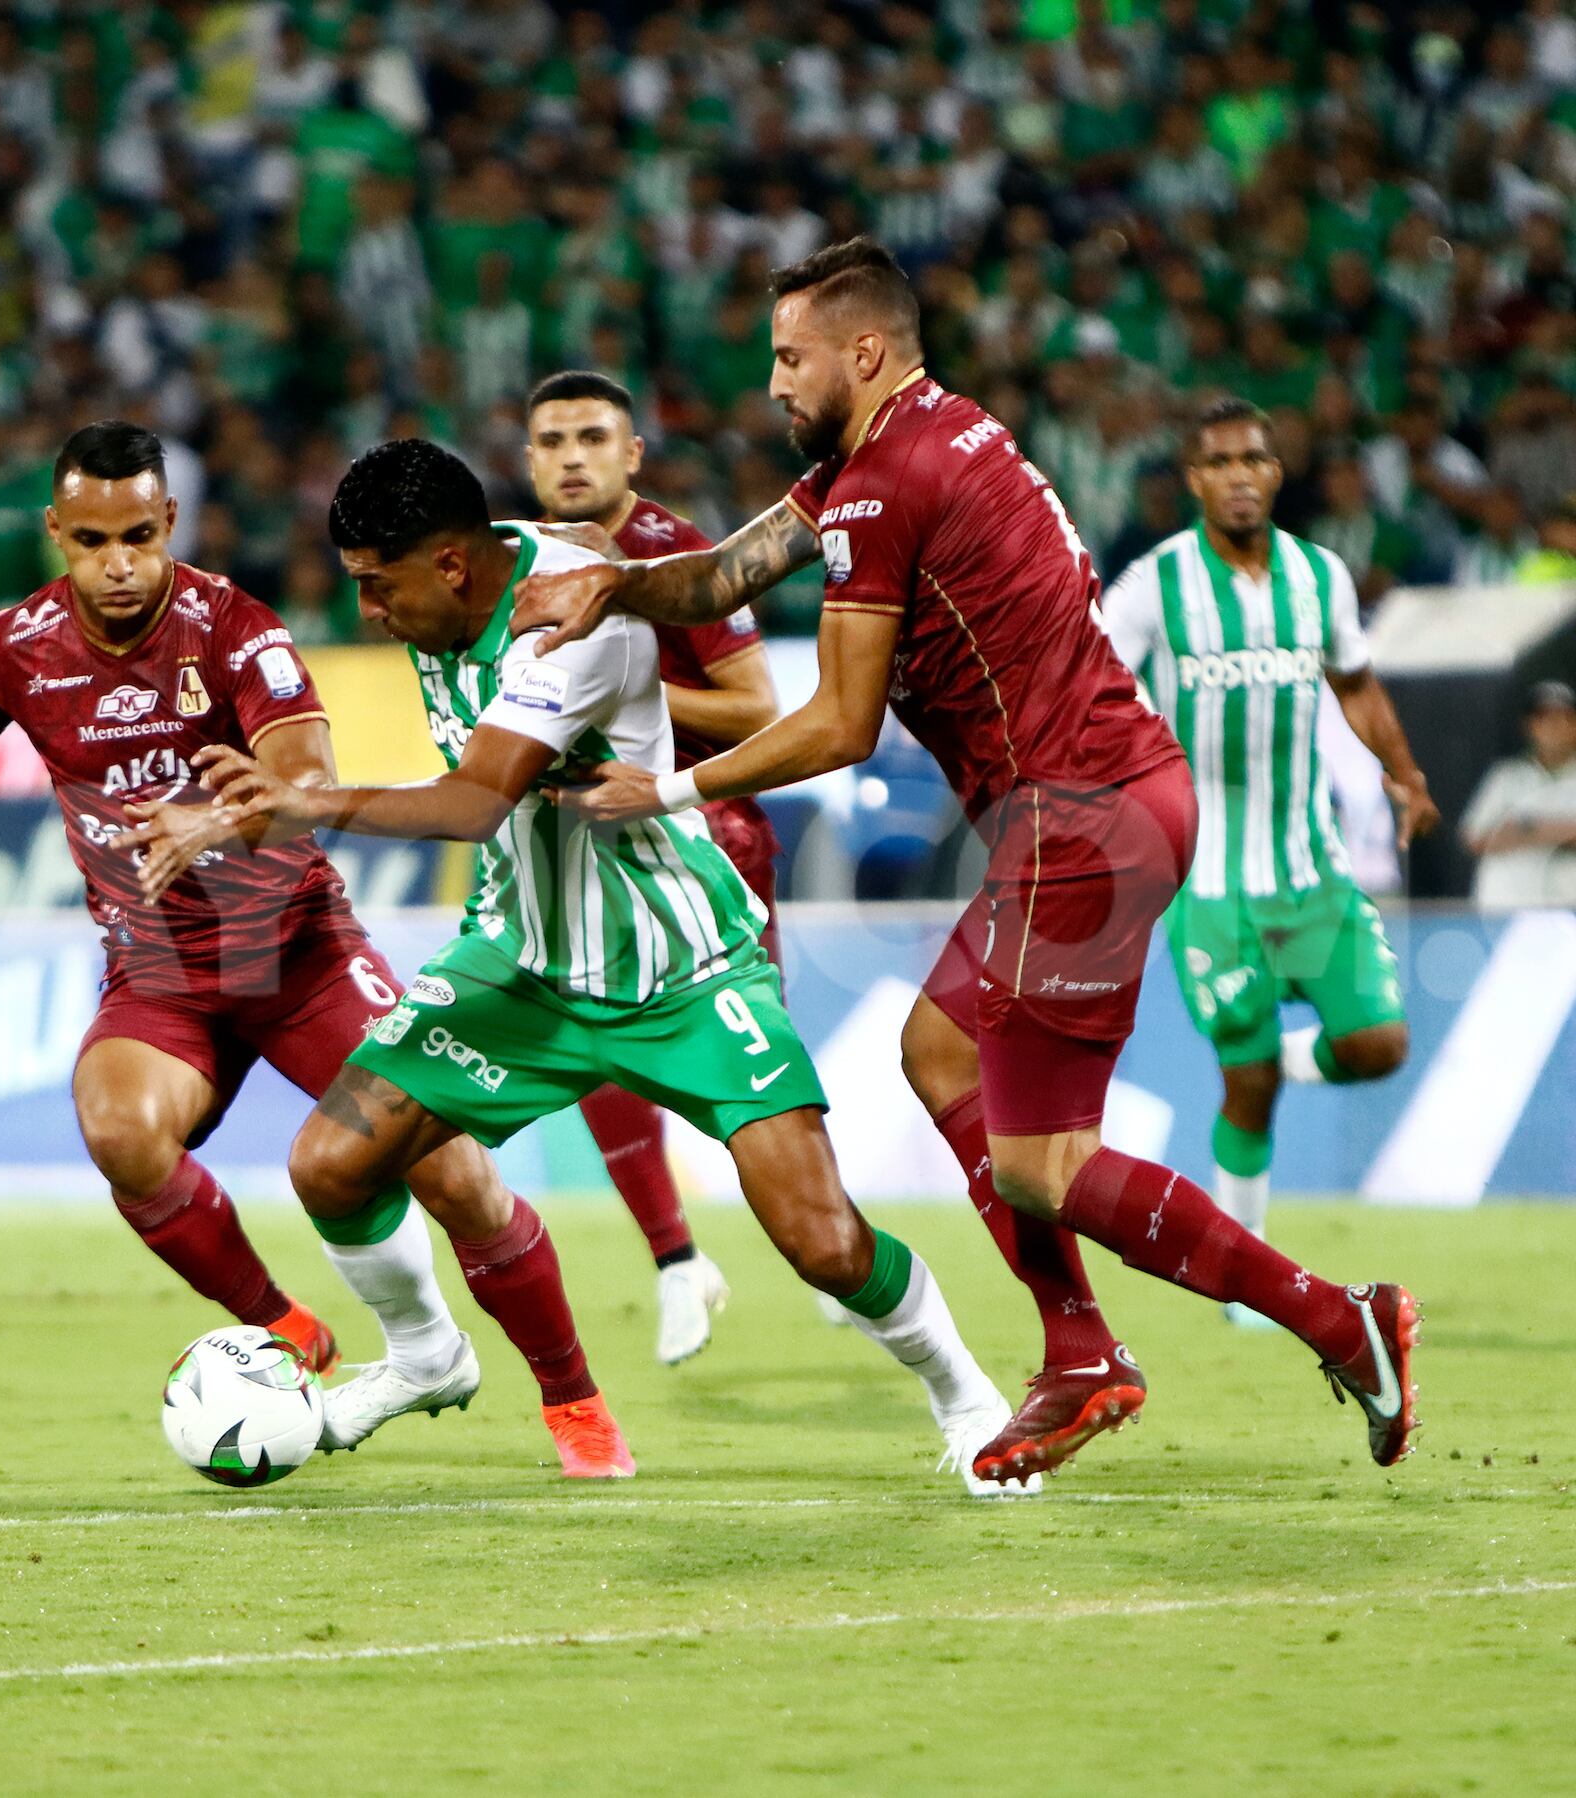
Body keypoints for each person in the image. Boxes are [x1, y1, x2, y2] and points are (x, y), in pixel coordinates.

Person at [514, 238, 1421, 1482]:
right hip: (1095, 805)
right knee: (936, 1053)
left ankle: (1336, 1317)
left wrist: (663, 786)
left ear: (865, 352)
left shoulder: (886, 483)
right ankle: (1080, 1351)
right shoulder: (919, 443)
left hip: (1080, 818)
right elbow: (727, 571)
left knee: (1043, 1163)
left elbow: (839, 724)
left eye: (792, 358)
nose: (773, 383)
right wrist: (611, 590)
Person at [0, 420, 625, 1479]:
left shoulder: (236, 630)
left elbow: (302, 763)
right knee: (120, 1128)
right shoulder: (11, 650)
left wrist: (229, 805)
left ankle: (573, 1401)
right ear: (56, 532)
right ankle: (287, 1332)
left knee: (452, 1173)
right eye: (94, 540)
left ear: (171, 526)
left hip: (298, 954)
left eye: (142, 538)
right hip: (160, 974)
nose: (120, 565)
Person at [137, 438, 1031, 1496]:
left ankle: (966, 1394)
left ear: (453, 567)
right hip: (520, 958)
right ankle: (425, 1354)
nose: (371, 614)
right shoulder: (456, 588)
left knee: (823, 1241)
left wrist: (297, 809)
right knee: (331, 1162)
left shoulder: (569, 619)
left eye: (380, 588)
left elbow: (475, 800)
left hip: (679, 966)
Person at [1100, 398, 1437, 1329]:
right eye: (1220, 462)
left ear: (1276, 472)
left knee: (1379, 1046)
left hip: (1312, 870)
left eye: (1256, 457)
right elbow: (1089, 678)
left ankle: (1283, 1064)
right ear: (1195, 479)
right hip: (1208, 884)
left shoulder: (1320, 578)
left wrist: (1403, 773)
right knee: (1244, 1084)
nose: (1241, 474)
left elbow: (1356, 682)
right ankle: (1243, 1281)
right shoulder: (1154, 586)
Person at [521, 368, 785, 1366]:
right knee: (592, 1045)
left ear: (633, 454)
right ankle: (677, 1260)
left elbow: (757, 708)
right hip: (585, 841)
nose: (573, 455)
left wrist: (620, 703)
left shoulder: (677, 553)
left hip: (707, 834)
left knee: (754, 1065)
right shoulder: (521, 559)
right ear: (531, 457)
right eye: (554, 440)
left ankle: (835, 1241)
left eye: (595, 437)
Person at [1460, 681, 1576, 908]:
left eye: (1565, 717)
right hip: (1502, 914)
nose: (1554, 726)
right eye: (1544, 718)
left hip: (1570, 915)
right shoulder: (1504, 777)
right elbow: (1474, 839)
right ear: (1529, 726)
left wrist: (1518, 827)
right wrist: (1558, 829)